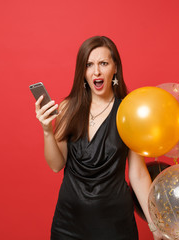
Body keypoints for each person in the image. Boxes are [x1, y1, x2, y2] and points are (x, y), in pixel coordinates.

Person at [35, 36, 163, 240]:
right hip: (69, 223)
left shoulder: (129, 112)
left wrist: (156, 225)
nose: (96, 71)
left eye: (103, 63)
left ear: (115, 68)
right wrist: (47, 131)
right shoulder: (69, 108)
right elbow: (56, 165)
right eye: (89, 65)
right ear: (82, 71)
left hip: (115, 225)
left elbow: (137, 174)